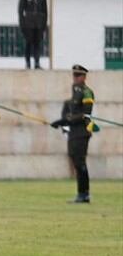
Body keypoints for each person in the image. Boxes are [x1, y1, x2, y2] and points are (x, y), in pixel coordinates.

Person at [51, 65, 96, 204]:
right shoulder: (75, 91)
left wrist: (66, 120)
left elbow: (85, 114)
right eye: (74, 75)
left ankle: (84, 194)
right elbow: (71, 110)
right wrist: (62, 122)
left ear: (84, 77)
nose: (75, 78)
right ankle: (81, 193)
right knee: (75, 161)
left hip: (82, 132)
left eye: (78, 75)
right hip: (73, 133)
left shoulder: (87, 92)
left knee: (80, 162)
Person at [17, 0, 48, 69]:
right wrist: (22, 23)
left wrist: (44, 23)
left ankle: (37, 62)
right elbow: (21, 10)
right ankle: (28, 62)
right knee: (29, 42)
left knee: (37, 42)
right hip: (28, 23)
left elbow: (45, 9)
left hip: (38, 22)